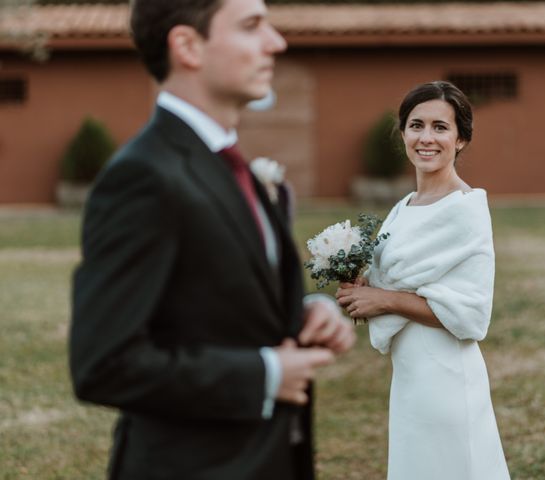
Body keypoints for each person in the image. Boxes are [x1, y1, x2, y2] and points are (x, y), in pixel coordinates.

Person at [68, 0, 355, 479]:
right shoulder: (144, 176)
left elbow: (219, 298)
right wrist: (264, 375)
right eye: (251, 26)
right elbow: (105, 363)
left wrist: (304, 312)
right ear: (187, 46)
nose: (275, 42)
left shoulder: (227, 163)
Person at [337, 81, 510, 479]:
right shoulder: (403, 207)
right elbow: (396, 280)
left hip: (447, 372)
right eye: (416, 126)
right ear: (403, 134)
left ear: (461, 138)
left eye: (440, 127)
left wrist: (385, 300)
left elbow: (470, 313)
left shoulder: (465, 209)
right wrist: (361, 288)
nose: (426, 138)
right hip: (412, 370)